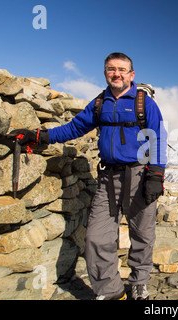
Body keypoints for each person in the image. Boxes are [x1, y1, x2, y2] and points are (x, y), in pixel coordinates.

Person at [9, 52, 167, 300]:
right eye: (111, 69)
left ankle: (139, 283)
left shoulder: (143, 102)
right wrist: (39, 136)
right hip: (108, 177)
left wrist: (156, 174)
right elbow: (74, 127)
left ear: (131, 74)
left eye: (122, 69)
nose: (116, 74)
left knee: (142, 233)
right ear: (105, 73)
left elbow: (157, 137)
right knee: (96, 236)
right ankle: (111, 291)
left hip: (140, 174)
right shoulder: (99, 103)